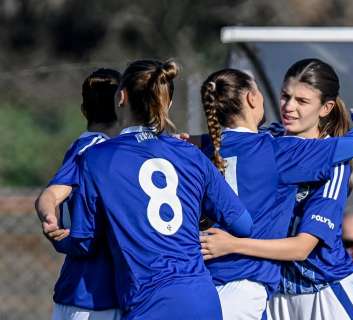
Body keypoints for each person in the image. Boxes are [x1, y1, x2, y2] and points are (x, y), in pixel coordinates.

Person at [43, 59, 254, 320]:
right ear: (169, 103)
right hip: (203, 300)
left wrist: (59, 239)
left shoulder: (97, 158)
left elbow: (86, 242)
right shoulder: (191, 153)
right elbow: (243, 224)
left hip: (150, 304)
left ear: (121, 97)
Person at [199, 59, 353, 319]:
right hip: (276, 288)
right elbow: (227, 141)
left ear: (326, 108)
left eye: (302, 101)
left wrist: (234, 244)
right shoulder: (268, 139)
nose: (289, 107)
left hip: (320, 287)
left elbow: (303, 247)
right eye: (285, 96)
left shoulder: (333, 163)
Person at [35, 68, 121, 320]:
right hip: (100, 297)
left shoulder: (83, 147)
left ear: (83, 110)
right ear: (124, 104)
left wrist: (49, 217)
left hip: (76, 292)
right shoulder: (101, 149)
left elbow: (50, 195)